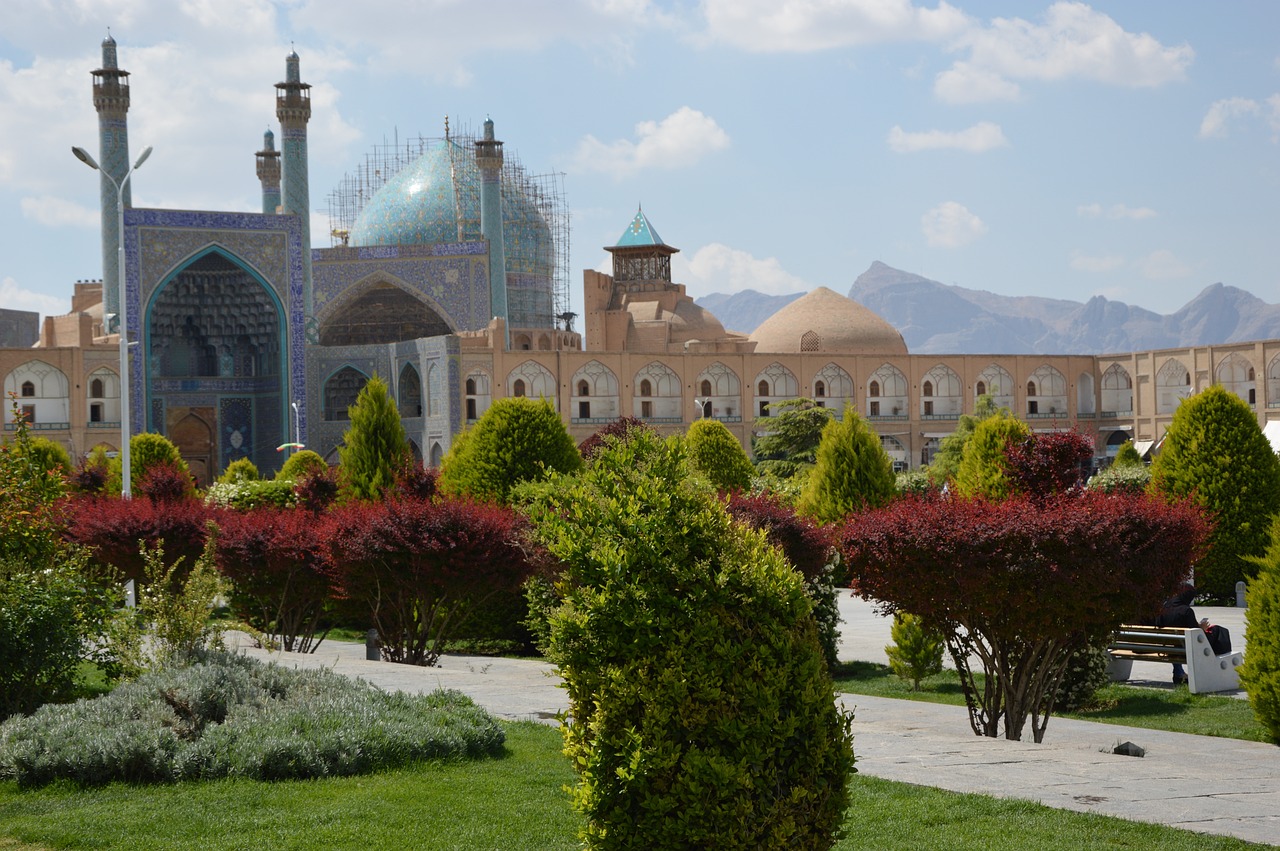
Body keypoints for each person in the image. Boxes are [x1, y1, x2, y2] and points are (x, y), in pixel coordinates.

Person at [1155, 583, 1198, 685]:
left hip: (1167, 646)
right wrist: (1202, 628)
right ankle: (1180, 673)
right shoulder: (1186, 611)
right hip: (1184, 649)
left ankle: (1179, 672)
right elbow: (1196, 632)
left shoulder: (1164, 608)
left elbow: (1158, 623)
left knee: (1175, 642)